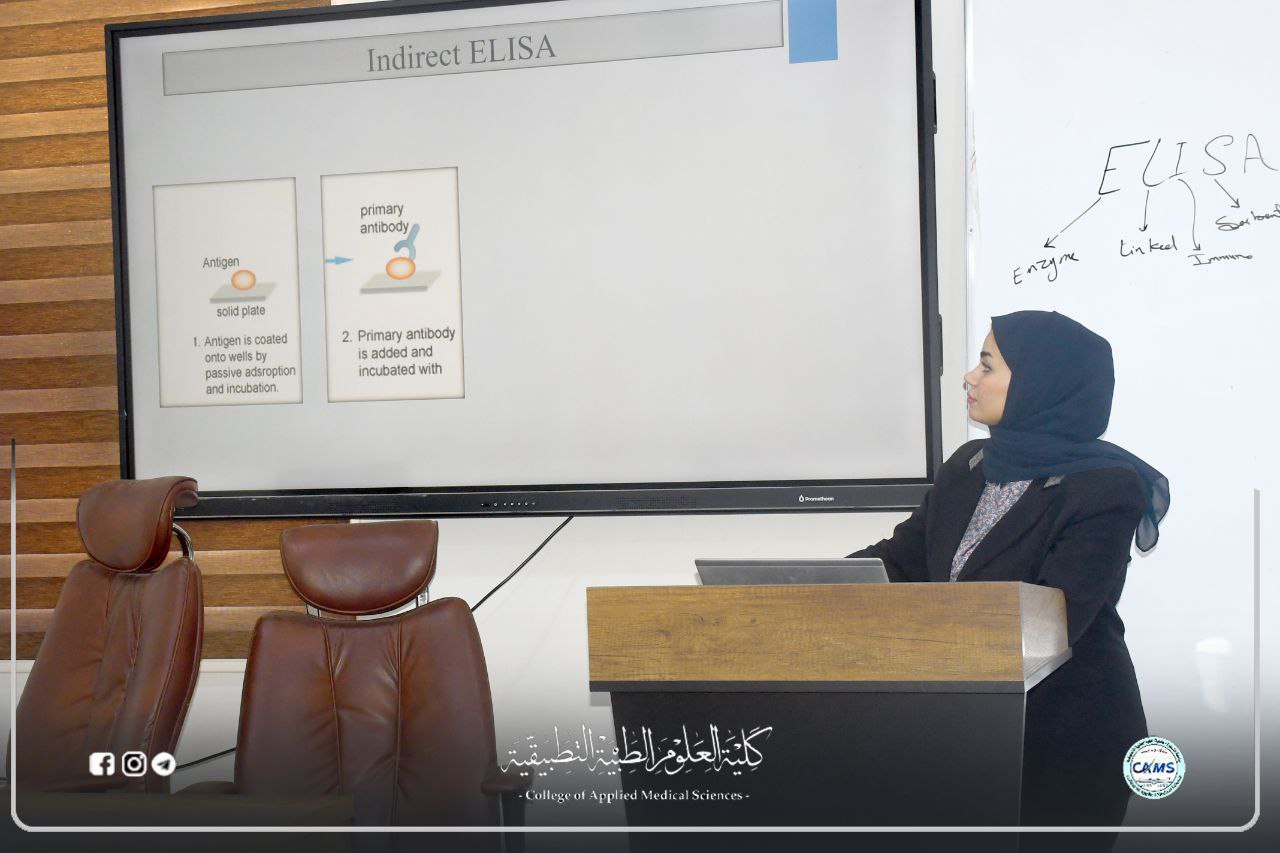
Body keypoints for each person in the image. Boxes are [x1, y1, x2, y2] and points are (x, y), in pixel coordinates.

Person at [849, 310, 1170, 846]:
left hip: (1065, 738)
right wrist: (801, 586)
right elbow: (902, 559)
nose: (969, 377)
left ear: (1041, 382)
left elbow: (1051, 617)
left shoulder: (1105, 487)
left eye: (987, 365)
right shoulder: (969, 464)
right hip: (968, 730)